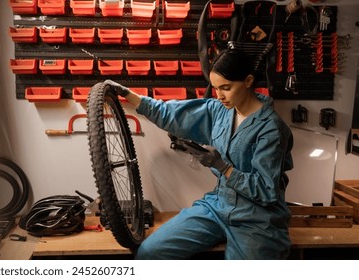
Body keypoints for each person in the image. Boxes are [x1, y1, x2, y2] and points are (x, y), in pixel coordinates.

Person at [104, 49, 294, 259]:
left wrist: (224, 168)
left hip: (257, 216)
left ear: (248, 81)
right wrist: (129, 94)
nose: (219, 95)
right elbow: (172, 114)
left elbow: (267, 191)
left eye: (226, 88)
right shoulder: (220, 110)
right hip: (219, 204)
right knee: (150, 252)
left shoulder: (271, 129)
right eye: (215, 88)